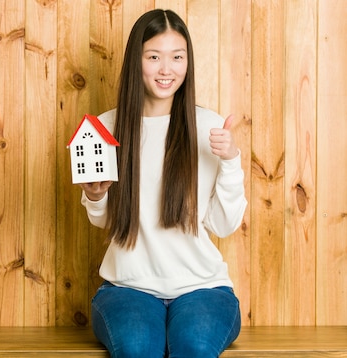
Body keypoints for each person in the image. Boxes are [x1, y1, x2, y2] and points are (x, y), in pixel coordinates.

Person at [79, 9, 247, 358]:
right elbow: (104, 220)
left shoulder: (209, 127)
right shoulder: (106, 128)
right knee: (138, 348)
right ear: (136, 61)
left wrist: (231, 161)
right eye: (154, 56)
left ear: (188, 63)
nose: (166, 69)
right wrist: (95, 197)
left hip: (203, 288)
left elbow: (223, 224)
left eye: (177, 57)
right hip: (127, 288)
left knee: (195, 347)